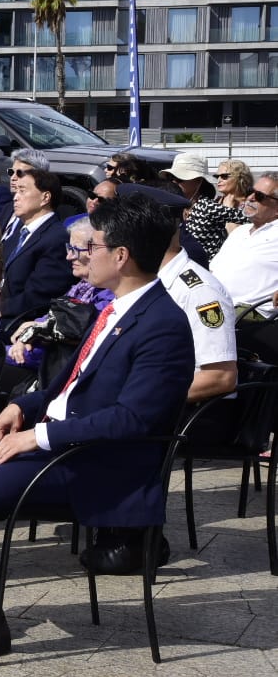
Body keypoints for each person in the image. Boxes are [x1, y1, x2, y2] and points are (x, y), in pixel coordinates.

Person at [0, 193, 194, 663]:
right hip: (60, 446)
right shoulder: (114, 308)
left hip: (98, 465)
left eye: (89, 246)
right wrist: (27, 407)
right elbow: (69, 386)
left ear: (121, 256)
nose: (77, 255)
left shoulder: (164, 324)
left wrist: (38, 436)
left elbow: (135, 418)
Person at [78, 184, 238, 576]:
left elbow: (220, 377)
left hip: (199, 411)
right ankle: (103, 517)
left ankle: (136, 537)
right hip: (161, 400)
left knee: (124, 419)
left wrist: (144, 398)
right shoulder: (140, 283)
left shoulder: (197, 290)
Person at [3, 215, 114, 371]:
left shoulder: (110, 292)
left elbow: (75, 333)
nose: (69, 257)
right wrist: (35, 325)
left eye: (75, 250)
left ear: (94, 251)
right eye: (69, 248)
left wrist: (35, 331)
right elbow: (57, 313)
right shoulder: (83, 284)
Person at [0, 167, 74, 328]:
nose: (15, 197)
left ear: (45, 197)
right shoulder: (21, 232)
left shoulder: (57, 238)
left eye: (22, 191)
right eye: (16, 191)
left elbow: (41, 296)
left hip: (18, 323)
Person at [209, 171, 278, 319]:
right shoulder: (240, 231)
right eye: (251, 192)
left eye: (260, 196)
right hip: (216, 304)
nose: (251, 198)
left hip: (250, 313)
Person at [159, 152, 225, 261]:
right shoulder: (168, 206)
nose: (174, 182)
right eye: (171, 178)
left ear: (199, 181)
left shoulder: (209, 207)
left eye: (180, 178)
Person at [215, 158, 253, 229]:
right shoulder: (216, 202)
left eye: (224, 176)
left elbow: (238, 238)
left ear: (240, 177)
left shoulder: (251, 205)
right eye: (217, 176)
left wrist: (227, 210)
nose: (219, 180)